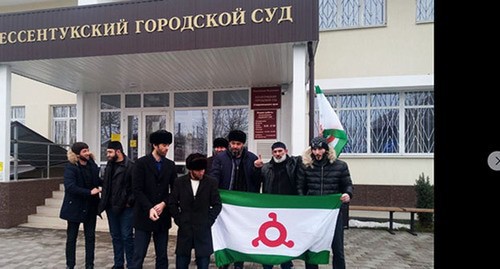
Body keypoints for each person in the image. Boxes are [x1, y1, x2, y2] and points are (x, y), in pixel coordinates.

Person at [296, 136, 353, 269]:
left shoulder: (340, 166)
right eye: (314, 149)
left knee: (337, 248)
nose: (317, 152)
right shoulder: (305, 165)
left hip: (333, 214)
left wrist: (348, 194)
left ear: (326, 150)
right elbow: (300, 187)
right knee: (311, 247)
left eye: (320, 149)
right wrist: (303, 202)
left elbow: (348, 185)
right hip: (313, 215)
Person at [209, 129, 259, 269]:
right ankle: (224, 263)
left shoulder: (252, 158)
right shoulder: (220, 158)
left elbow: (256, 182)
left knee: (241, 235)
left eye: (238, 143)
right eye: (233, 143)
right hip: (226, 205)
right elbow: (214, 178)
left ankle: (239, 263)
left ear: (243, 144)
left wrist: (257, 169)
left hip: (244, 206)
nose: (235, 146)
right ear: (229, 143)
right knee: (225, 234)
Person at [129, 130, 177, 269]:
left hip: (162, 215)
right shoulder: (140, 163)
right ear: (155, 145)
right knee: (139, 254)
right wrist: (149, 208)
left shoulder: (170, 165)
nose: (167, 148)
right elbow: (137, 190)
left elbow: (174, 190)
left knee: (162, 255)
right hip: (143, 214)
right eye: (164, 145)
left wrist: (163, 204)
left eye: (168, 144)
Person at [168, 153, 222, 269]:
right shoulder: (180, 182)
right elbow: (172, 203)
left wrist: (209, 220)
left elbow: (217, 204)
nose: (202, 172)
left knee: (203, 264)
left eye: (203, 169)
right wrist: (179, 219)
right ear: (191, 170)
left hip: (203, 228)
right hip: (185, 228)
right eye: (198, 170)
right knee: (181, 263)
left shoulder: (211, 182)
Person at [254, 141, 301, 269]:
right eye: (275, 152)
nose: (278, 154)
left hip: (288, 208)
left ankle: (286, 263)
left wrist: (321, 138)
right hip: (270, 209)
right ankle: (268, 264)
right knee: (269, 237)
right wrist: (256, 169)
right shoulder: (266, 168)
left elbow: (310, 154)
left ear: (286, 151)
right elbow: (256, 182)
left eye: (280, 151)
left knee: (285, 237)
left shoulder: (295, 164)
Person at [59, 142, 101, 269]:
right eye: (84, 151)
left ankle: (90, 265)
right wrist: (89, 192)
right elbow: (70, 187)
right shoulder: (70, 168)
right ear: (77, 155)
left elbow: (97, 180)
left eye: (88, 150)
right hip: (74, 208)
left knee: (90, 238)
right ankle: (70, 265)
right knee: (71, 238)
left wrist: (107, 185)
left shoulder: (92, 165)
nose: (87, 153)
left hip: (90, 207)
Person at [98, 141, 135, 269]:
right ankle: (118, 264)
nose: (107, 154)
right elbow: (106, 185)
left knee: (127, 237)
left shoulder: (130, 166)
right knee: (116, 237)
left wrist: (129, 202)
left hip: (126, 209)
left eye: (110, 152)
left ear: (118, 151)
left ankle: (131, 265)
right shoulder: (109, 165)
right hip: (111, 207)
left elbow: (135, 188)